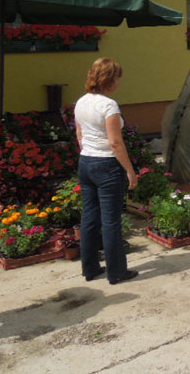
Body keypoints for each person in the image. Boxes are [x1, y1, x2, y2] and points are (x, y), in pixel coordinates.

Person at [74, 57, 138, 284]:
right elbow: (115, 143)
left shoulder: (81, 102)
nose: (119, 83)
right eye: (117, 78)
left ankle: (90, 268)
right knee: (111, 221)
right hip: (107, 165)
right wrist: (130, 171)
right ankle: (117, 272)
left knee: (90, 216)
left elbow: (79, 135)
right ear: (109, 80)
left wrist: (89, 152)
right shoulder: (109, 106)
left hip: (86, 162)